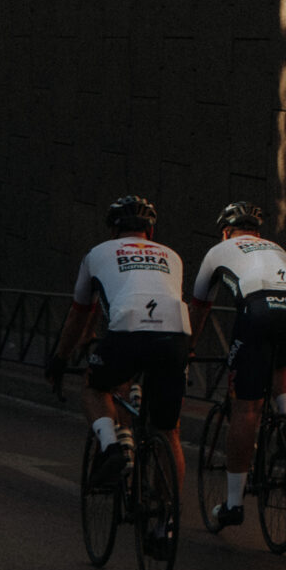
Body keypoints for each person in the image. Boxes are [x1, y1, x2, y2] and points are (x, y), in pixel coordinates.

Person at [47, 197, 192, 509]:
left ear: (114, 230)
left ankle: (113, 447)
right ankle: (165, 523)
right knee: (169, 431)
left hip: (128, 330)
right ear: (150, 232)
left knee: (95, 386)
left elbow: (80, 313)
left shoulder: (97, 254)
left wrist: (59, 358)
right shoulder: (172, 255)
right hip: (176, 334)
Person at [188, 203, 286, 530]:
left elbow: (200, 307)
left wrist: (187, 349)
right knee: (282, 361)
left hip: (259, 309)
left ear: (225, 232)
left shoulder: (219, 250)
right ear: (257, 233)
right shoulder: (276, 247)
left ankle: (233, 504)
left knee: (246, 408)